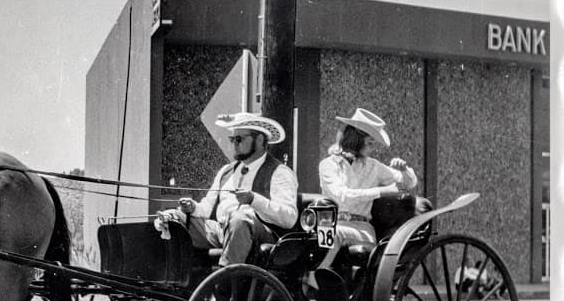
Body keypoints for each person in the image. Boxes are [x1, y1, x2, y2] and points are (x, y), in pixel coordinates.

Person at [160, 112, 298, 266]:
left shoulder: (280, 172)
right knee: (172, 217)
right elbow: (206, 209)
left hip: (256, 233)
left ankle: (224, 284)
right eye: (232, 139)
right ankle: (177, 283)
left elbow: (289, 218)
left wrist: (254, 199)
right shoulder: (227, 171)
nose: (234, 144)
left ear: (259, 140)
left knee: (240, 219)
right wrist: (192, 207)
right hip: (221, 230)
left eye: (239, 139)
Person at [317, 107, 418, 270]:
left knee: (332, 234)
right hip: (330, 224)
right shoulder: (328, 165)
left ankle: (312, 284)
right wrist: (383, 191)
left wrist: (404, 169)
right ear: (356, 140)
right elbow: (342, 196)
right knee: (315, 236)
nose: (373, 148)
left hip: (361, 229)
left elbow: (409, 183)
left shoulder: (374, 166)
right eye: (370, 143)